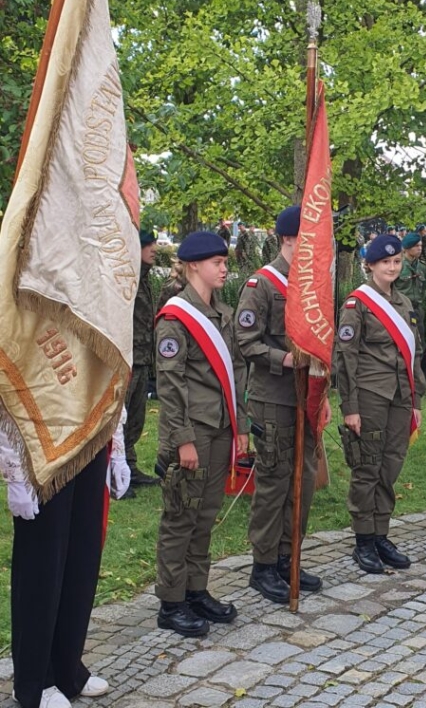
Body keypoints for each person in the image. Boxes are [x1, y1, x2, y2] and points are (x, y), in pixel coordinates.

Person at [154, 231, 249, 637]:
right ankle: (171, 602)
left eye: (225, 262)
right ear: (193, 265)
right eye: (217, 263)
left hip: (221, 428)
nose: (224, 268)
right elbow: (170, 385)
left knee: (205, 514)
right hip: (192, 433)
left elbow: (235, 375)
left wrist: (241, 426)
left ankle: (196, 590)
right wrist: (183, 439)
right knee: (181, 517)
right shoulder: (177, 317)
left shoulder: (222, 314)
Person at [0, 415, 130, 708]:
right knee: (42, 565)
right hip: (40, 438)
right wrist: (14, 469)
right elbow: (9, 385)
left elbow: (113, 375)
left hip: (91, 432)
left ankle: (67, 667)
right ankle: (33, 680)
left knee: (81, 558)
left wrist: (117, 448)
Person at [235, 205, 329, 604]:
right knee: (274, 483)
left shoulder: (312, 286)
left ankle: (290, 556)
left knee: (304, 481)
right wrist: (284, 359)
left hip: (304, 398)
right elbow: (245, 341)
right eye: (306, 239)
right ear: (289, 239)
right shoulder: (263, 285)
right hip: (273, 398)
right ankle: (264, 564)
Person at [335, 233, 426, 574]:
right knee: (367, 469)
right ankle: (363, 541)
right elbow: (346, 359)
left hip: (401, 398)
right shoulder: (357, 304)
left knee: (390, 468)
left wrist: (417, 397)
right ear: (370, 265)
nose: (392, 267)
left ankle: (381, 533)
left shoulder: (403, 304)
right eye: (385, 262)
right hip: (370, 397)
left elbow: (414, 356)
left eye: (397, 261)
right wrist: (350, 407)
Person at [123, 229, 159, 497]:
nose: (154, 249)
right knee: (120, 418)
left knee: (136, 418)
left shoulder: (144, 278)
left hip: (142, 358)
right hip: (127, 360)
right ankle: (116, 474)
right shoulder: (129, 278)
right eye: (149, 245)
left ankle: (130, 467)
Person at [395, 232, 426, 347]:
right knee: (401, 344)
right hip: (400, 310)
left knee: (419, 343)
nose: (420, 248)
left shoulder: (422, 267)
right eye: (416, 246)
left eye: (421, 246)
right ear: (408, 248)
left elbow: (424, 289)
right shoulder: (398, 266)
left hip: (417, 310)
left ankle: (417, 365)